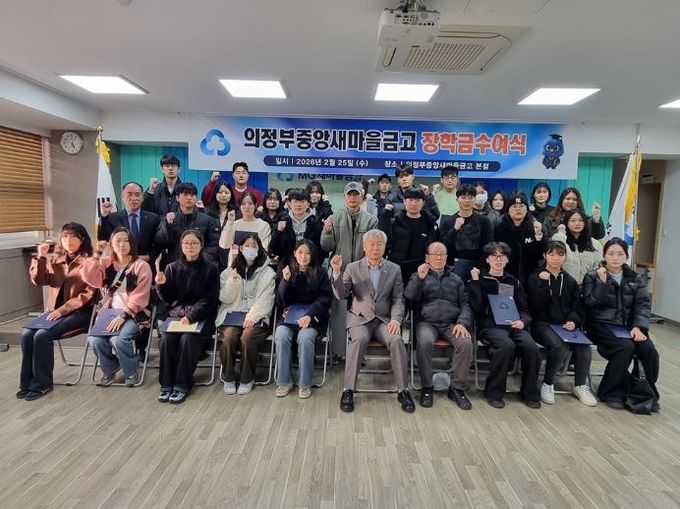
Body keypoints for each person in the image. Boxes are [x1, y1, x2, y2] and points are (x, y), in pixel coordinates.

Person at [331, 229, 415, 413]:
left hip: (384, 320)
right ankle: (348, 390)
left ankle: (403, 390)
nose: (375, 248)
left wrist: (396, 320)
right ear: (364, 246)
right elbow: (342, 295)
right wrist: (336, 272)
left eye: (379, 244)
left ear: (384, 247)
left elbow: (398, 299)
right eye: (372, 244)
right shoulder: (353, 267)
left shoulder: (394, 269)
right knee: (358, 340)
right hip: (360, 319)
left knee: (397, 340)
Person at [17, 223, 96, 401]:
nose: (68, 240)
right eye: (65, 236)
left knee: (42, 335)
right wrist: (40, 257)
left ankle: (42, 384)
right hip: (54, 313)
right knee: (27, 334)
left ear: (82, 239)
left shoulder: (90, 262)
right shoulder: (56, 260)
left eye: (73, 236)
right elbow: (39, 280)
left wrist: (63, 309)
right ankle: (26, 384)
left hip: (80, 313)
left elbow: (88, 294)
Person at [582, 238, 659, 411]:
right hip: (601, 325)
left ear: (626, 256)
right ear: (604, 255)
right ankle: (610, 391)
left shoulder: (635, 278)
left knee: (648, 349)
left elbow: (642, 305)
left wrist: (638, 327)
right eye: (611, 253)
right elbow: (591, 304)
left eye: (620, 254)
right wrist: (602, 283)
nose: (615, 258)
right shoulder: (593, 276)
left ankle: (643, 391)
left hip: (629, 327)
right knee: (625, 348)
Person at [469, 242, 541, 409]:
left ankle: (529, 392)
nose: (498, 260)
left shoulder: (514, 282)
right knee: (506, 346)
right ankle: (493, 392)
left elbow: (524, 310)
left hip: (513, 325)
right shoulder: (480, 279)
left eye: (502, 256)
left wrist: (523, 321)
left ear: (507, 260)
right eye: (494, 256)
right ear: (488, 259)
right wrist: (475, 282)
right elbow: (476, 307)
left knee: (531, 348)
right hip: (490, 326)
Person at [404, 242, 473, 410]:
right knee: (425, 342)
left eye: (442, 254)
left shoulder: (456, 279)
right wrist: (420, 279)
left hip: (451, 323)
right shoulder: (418, 275)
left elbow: (465, 304)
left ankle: (457, 388)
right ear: (427, 257)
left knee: (465, 342)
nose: (439, 257)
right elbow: (410, 297)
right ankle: (427, 387)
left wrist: (462, 323)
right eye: (435, 254)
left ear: (447, 257)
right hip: (426, 322)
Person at [527, 240, 597, 406]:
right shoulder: (535, 277)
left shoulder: (570, 281)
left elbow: (577, 307)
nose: (556, 258)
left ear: (565, 257)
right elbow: (533, 306)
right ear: (545, 256)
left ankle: (580, 385)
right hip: (542, 324)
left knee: (584, 348)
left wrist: (573, 321)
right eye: (551, 254)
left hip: (564, 326)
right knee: (560, 345)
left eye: (560, 254)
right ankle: (548, 383)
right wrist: (542, 284)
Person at [82, 227, 152, 387]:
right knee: (94, 339)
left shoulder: (140, 266)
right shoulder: (106, 263)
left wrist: (123, 316)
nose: (122, 244)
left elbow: (140, 296)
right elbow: (88, 277)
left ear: (132, 243)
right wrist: (97, 254)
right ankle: (110, 368)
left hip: (133, 314)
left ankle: (131, 372)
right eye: (117, 241)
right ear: (111, 244)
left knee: (119, 339)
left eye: (126, 240)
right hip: (109, 313)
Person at [155, 229, 219, 404]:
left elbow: (210, 299)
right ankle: (166, 384)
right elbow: (168, 299)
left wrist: (192, 316)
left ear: (201, 245)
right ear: (181, 245)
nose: (190, 246)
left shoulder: (211, 269)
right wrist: (161, 285)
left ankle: (182, 385)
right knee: (166, 338)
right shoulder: (172, 267)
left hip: (200, 317)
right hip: (176, 316)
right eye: (186, 243)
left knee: (188, 339)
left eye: (194, 243)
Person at [320, 181, 379, 358]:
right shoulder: (334, 218)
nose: (353, 198)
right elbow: (326, 247)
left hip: (363, 274)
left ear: (362, 197)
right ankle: (339, 352)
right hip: (340, 271)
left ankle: (358, 354)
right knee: (339, 313)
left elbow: (373, 248)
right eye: (349, 194)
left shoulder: (371, 220)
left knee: (362, 314)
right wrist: (327, 232)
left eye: (356, 194)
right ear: (344, 197)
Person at [217, 233, 275, 395]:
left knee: (247, 338)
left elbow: (265, 299)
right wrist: (232, 281)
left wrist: (253, 316)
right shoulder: (228, 272)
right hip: (232, 315)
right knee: (228, 337)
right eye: (247, 246)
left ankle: (247, 378)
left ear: (259, 249)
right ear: (241, 249)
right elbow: (225, 298)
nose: (250, 249)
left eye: (254, 246)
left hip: (256, 317)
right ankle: (228, 377)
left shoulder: (268, 273)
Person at [274, 240, 332, 399]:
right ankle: (284, 381)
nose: (303, 256)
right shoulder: (287, 270)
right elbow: (280, 301)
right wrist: (285, 281)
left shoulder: (321, 273)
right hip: (290, 317)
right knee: (281, 334)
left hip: (313, 317)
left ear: (312, 255)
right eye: (300, 252)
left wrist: (310, 315)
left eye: (307, 253)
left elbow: (325, 299)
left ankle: (305, 384)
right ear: (294, 253)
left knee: (305, 338)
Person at [154, 182, 221, 266]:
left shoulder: (208, 220)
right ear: (177, 198)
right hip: (176, 267)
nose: (189, 198)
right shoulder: (170, 219)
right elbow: (160, 243)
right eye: (185, 195)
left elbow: (213, 245)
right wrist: (167, 226)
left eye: (192, 195)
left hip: (201, 267)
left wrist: (200, 260)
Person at [379, 187, 439, 282]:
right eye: (410, 200)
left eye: (417, 200)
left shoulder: (430, 224)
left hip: (422, 269)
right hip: (397, 268)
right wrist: (385, 217)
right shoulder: (394, 222)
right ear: (404, 201)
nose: (413, 203)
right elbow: (385, 242)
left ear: (423, 202)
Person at [98, 181, 160, 264]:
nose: (133, 198)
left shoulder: (153, 218)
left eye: (137, 195)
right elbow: (104, 239)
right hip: (120, 264)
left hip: (146, 264)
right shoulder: (113, 218)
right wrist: (105, 216)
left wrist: (149, 257)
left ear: (142, 197)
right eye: (129, 194)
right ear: (123, 197)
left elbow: (158, 243)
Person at [493, 192, 546, 285]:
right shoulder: (499, 229)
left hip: (531, 276)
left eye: (521, 206)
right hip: (506, 276)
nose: (518, 209)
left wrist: (539, 237)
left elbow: (542, 254)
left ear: (527, 210)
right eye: (514, 206)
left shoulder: (535, 228)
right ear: (508, 210)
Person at [443, 184, 494, 279]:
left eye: (470, 197)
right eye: (463, 197)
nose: (467, 201)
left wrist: (482, 267)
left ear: (475, 200)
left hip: (478, 268)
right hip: (453, 268)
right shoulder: (447, 221)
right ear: (457, 199)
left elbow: (488, 246)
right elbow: (444, 248)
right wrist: (455, 230)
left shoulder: (484, 221)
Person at [270, 188, 324, 268]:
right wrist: (278, 231)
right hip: (287, 265)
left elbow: (320, 249)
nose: (299, 205)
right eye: (295, 201)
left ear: (308, 204)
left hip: (310, 266)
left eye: (302, 201)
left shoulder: (315, 223)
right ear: (289, 203)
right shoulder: (281, 221)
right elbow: (274, 249)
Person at [551, 209, 603, 283]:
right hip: (564, 286)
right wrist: (561, 234)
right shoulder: (560, 239)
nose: (577, 223)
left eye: (581, 220)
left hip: (588, 286)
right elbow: (554, 261)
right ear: (566, 222)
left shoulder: (595, 244)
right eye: (573, 220)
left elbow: (599, 266)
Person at [433, 166, 460, 238]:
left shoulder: (462, 197)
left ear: (457, 179)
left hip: (459, 233)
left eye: (453, 177)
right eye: (446, 177)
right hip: (439, 233)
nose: (450, 180)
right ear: (441, 180)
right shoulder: (435, 196)